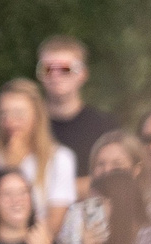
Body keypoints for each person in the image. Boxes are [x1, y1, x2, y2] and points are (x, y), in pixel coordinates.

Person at [36, 36, 120, 195]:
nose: (55, 75)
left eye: (65, 69)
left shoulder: (104, 125)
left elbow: (116, 178)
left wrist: (54, 192)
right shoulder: (29, 125)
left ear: (82, 74)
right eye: (47, 69)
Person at [0, 77, 75, 232]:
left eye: (19, 114)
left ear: (37, 116)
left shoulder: (60, 159)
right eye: (4, 114)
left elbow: (54, 224)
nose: (10, 122)